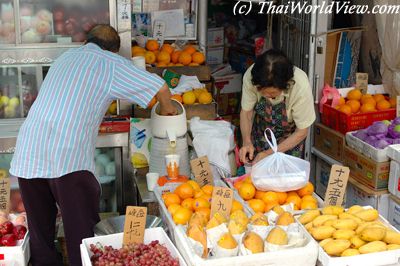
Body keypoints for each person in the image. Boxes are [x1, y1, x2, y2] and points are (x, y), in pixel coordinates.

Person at [9, 25, 176, 266]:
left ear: (88, 41)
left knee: (41, 236)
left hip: (28, 152)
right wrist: (169, 112)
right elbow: (160, 87)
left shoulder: (66, 57)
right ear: (113, 50)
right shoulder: (110, 62)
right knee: (82, 238)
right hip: (67, 157)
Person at [239, 49, 316, 165]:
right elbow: (246, 112)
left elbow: (302, 131)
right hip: (261, 132)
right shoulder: (252, 77)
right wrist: (246, 141)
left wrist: (269, 153)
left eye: (272, 94)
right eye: (262, 91)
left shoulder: (300, 86)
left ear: (286, 85)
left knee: (285, 179)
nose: (266, 96)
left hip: (290, 139)